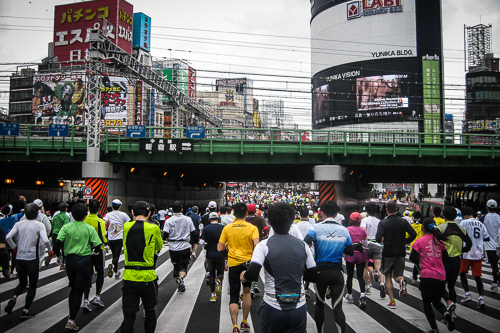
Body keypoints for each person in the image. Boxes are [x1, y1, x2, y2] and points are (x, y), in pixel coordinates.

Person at [242, 202, 318, 333]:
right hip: (298, 306)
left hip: (273, 305)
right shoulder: (303, 245)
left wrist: (244, 276)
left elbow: (253, 274)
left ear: (270, 222)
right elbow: (313, 276)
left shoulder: (263, 245)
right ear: (292, 221)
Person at [304, 201, 354, 333]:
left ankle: (320, 331)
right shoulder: (344, 230)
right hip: (337, 272)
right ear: (337, 213)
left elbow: (305, 244)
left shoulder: (315, 228)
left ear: (322, 213)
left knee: (320, 305)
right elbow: (350, 251)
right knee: (337, 307)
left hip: (320, 272)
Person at [53, 203, 102, 331]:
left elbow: (57, 242)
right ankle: (71, 319)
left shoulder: (66, 227)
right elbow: (97, 244)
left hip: (70, 260)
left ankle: (71, 315)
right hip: (84, 260)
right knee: (79, 290)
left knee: (73, 287)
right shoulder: (88, 228)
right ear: (85, 215)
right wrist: (94, 252)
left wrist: (59, 255)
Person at [120, 201, 163, 333]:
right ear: (149, 214)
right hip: (147, 276)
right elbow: (159, 247)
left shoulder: (126, 226)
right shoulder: (153, 228)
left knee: (128, 315)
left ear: (132, 212)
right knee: (150, 311)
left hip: (129, 275)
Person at [4, 203, 52, 319]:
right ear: (37, 214)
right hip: (32, 259)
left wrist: (14, 246)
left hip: (20, 258)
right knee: (32, 285)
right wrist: (50, 250)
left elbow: (8, 237)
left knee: (22, 283)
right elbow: (45, 240)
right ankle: (25, 310)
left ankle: (14, 297)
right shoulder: (39, 225)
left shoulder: (19, 224)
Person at [217, 202, 259, 333]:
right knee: (246, 293)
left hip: (233, 264)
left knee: (234, 295)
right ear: (247, 213)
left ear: (233, 213)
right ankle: (244, 322)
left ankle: (234, 326)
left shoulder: (227, 228)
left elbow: (219, 247)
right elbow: (257, 245)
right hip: (247, 265)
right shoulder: (252, 228)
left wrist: (227, 244)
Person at [409, 218, 455, 333]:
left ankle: (434, 328)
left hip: (427, 275)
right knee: (436, 301)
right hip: (440, 276)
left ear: (423, 228)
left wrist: (421, 261)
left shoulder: (419, 241)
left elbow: (412, 258)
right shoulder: (440, 242)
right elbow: (445, 258)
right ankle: (445, 313)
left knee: (426, 303)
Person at [375, 201, 417, 309]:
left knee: (388, 276)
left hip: (388, 252)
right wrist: (406, 241)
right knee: (398, 275)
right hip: (400, 252)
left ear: (386, 209)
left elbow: (378, 238)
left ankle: (392, 301)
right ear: (397, 209)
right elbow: (413, 234)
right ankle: (402, 281)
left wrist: (382, 239)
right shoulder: (403, 222)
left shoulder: (383, 223)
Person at [438, 206, 472, 319]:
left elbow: (435, 243)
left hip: (444, 260)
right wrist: (462, 250)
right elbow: (469, 243)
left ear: (444, 216)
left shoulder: (441, 228)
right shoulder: (461, 229)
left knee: (441, 285)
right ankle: (454, 311)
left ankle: (448, 303)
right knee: (452, 286)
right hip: (457, 259)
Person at [459, 206, 490, 309]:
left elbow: (459, 235)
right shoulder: (481, 224)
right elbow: (486, 238)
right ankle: (481, 298)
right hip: (478, 253)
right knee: (477, 277)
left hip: (467, 253)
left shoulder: (464, 223)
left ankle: (467, 293)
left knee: (462, 273)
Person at [163, 201, 197, 293]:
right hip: (184, 245)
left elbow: (165, 234)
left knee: (175, 267)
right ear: (182, 209)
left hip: (173, 246)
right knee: (183, 267)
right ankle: (181, 278)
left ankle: (179, 286)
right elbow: (193, 232)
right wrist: (191, 243)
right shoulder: (188, 219)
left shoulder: (168, 220)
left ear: (172, 210)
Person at [81, 199, 108, 312]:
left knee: (87, 274)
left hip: (85, 250)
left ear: (88, 208)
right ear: (99, 209)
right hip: (98, 250)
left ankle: (86, 299)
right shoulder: (100, 221)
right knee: (100, 272)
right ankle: (97, 296)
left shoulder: (84, 220)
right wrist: (106, 243)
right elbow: (102, 237)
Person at [200, 212, 226, 302]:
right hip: (221, 254)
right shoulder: (223, 228)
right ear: (218, 219)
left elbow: (201, 242)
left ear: (209, 219)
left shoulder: (206, 228)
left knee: (211, 274)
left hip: (210, 254)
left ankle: (213, 295)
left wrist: (206, 246)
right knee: (220, 272)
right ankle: (218, 280)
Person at [344, 212, 368, 309]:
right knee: (360, 276)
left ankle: (350, 295)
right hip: (361, 254)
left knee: (349, 275)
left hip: (350, 254)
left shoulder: (347, 230)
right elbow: (365, 244)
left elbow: (345, 242)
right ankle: (362, 295)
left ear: (351, 220)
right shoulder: (362, 231)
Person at [360, 202, 384, 296]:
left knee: (365, 267)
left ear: (367, 210)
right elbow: (382, 236)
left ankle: (367, 286)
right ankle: (382, 283)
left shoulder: (364, 220)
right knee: (378, 267)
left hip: (367, 244)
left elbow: (363, 233)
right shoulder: (379, 221)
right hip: (377, 244)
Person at [103, 199, 130, 279]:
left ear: (112, 206)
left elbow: (104, 223)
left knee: (114, 254)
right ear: (120, 206)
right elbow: (128, 224)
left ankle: (116, 271)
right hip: (119, 237)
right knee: (116, 255)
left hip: (111, 238)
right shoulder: (123, 214)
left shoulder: (108, 215)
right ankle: (113, 266)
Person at [0, 196, 27, 277]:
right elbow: (25, 211)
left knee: (6, 255)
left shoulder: (1, 220)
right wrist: (24, 201)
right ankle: (12, 271)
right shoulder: (15, 217)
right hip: (13, 239)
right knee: (14, 255)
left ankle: (5, 269)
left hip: (3, 240)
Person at [482, 199, 500, 293]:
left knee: (494, 266)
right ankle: (494, 283)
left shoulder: (484, 217)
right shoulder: (499, 217)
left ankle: (496, 283)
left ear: (487, 208)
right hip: (499, 245)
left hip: (489, 246)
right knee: (495, 267)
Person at [52, 202, 70, 270]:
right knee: (64, 250)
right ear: (65, 209)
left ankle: (58, 256)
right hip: (62, 235)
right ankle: (63, 264)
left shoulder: (55, 216)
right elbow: (66, 227)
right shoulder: (66, 217)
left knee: (56, 248)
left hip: (54, 234)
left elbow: (52, 225)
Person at [409, 211, 424, 284]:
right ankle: (414, 276)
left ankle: (420, 275)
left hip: (413, 247)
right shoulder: (422, 226)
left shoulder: (411, 226)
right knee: (418, 262)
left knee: (416, 263)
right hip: (422, 247)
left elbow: (406, 235)